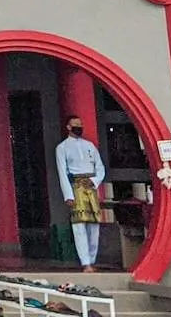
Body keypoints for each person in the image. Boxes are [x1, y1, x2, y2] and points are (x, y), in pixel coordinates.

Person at [55, 115, 107, 273]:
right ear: (68, 127)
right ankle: (85, 262)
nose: (79, 127)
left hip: (91, 186)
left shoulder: (90, 145)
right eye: (75, 125)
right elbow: (62, 173)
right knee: (79, 225)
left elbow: (100, 167)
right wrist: (68, 195)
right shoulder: (62, 147)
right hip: (76, 186)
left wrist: (95, 181)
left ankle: (92, 259)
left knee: (94, 224)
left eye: (80, 124)